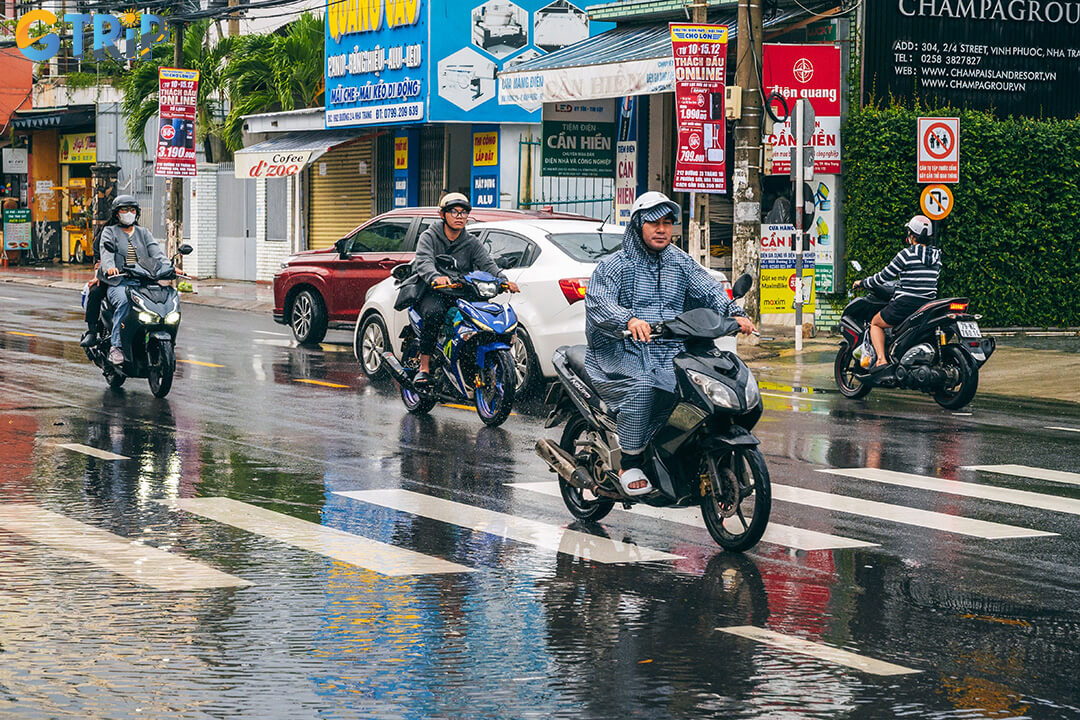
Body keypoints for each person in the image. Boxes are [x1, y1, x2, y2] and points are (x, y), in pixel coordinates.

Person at [584, 192, 756, 496]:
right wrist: (629, 320)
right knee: (644, 388)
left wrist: (735, 313)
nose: (662, 229)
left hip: (673, 348)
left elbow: (709, 290)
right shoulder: (614, 266)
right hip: (622, 350)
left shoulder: (679, 261)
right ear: (638, 226)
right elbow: (599, 302)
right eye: (654, 223)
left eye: (667, 223)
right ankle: (630, 460)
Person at [411, 192, 519, 385]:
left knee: (483, 321)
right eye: (454, 211)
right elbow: (424, 261)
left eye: (464, 212)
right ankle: (424, 367)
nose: (459, 216)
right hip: (434, 292)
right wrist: (435, 277)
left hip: (463, 292)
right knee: (434, 314)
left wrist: (503, 280)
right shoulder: (429, 236)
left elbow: (487, 264)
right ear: (442, 214)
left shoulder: (471, 242)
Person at [852, 214, 941, 368]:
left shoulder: (906, 255)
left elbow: (883, 277)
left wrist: (863, 283)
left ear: (912, 236)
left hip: (905, 304)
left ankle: (881, 360)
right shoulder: (937, 256)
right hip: (928, 305)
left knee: (876, 323)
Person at [97, 195, 168, 366]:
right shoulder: (109, 232)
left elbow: (157, 254)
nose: (128, 213)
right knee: (124, 302)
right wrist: (110, 268)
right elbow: (106, 254)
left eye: (132, 210)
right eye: (124, 210)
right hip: (119, 283)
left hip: (143, 283)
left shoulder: (144, 233)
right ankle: (117, 346)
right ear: (116, 213)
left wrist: (169, 266)